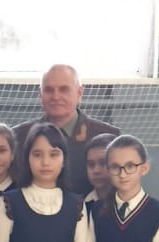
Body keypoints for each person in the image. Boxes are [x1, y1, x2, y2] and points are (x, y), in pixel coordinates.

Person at [13, 64, 120, 194]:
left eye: (64, 89)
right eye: (48, 90)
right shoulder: (18, 137)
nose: (56, 97)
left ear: (79, 92)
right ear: (40, 94)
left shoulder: (108, 136)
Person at [83, 133, 118, 212]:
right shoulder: (81, 205)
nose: (96, 170)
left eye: (103, 163)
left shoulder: (131, 203)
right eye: (91, 164)